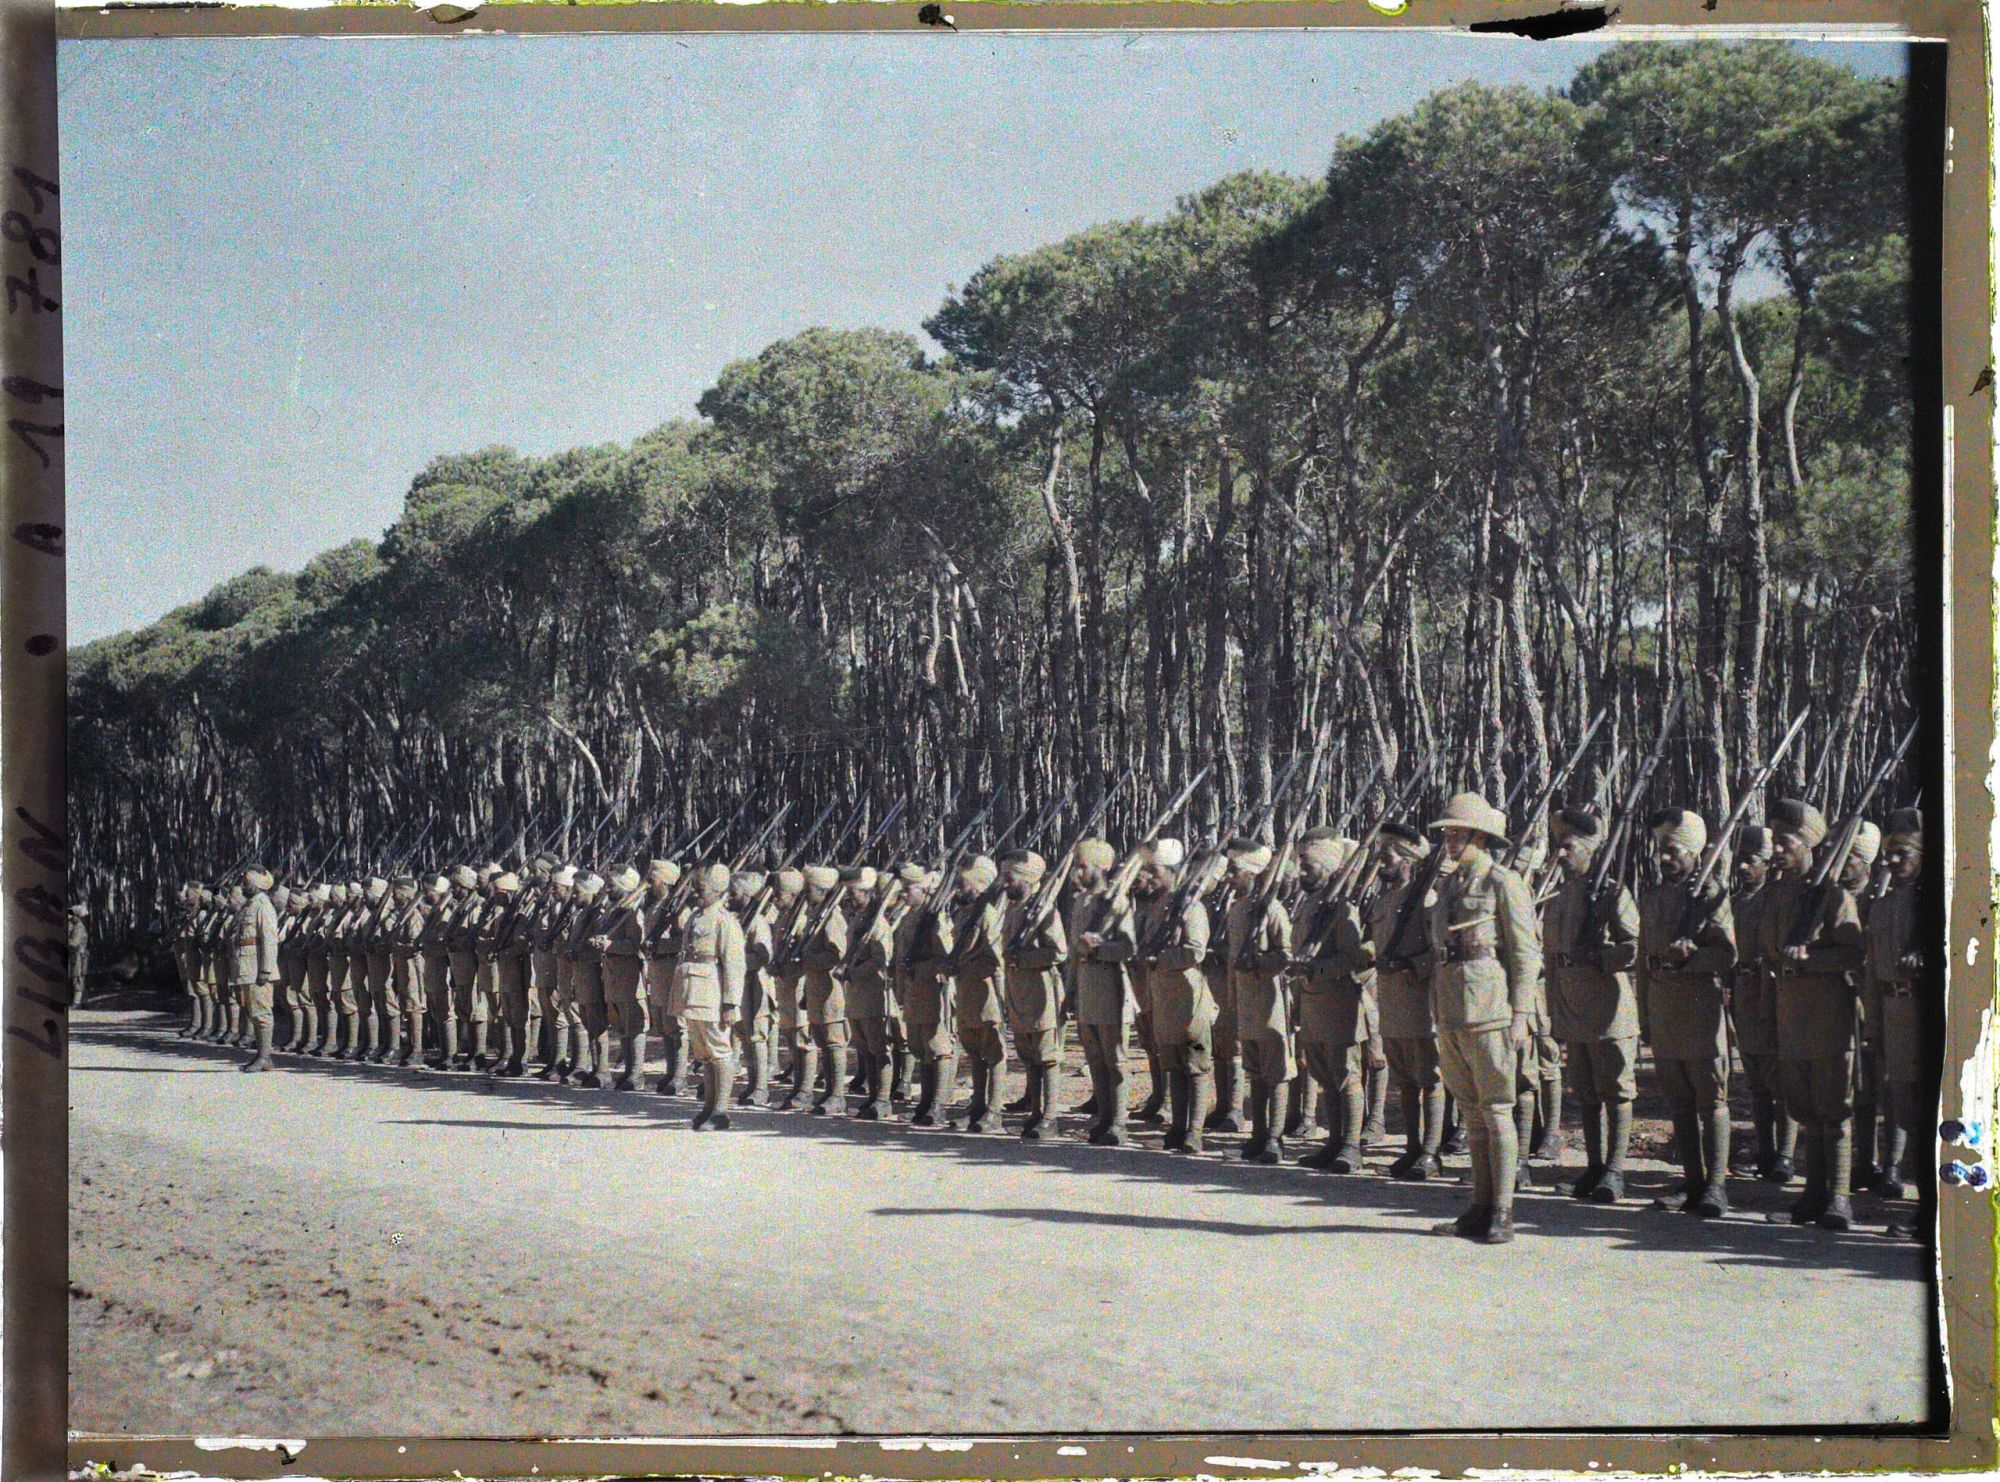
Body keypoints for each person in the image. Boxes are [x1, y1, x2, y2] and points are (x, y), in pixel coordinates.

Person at [1426, 793, 1541, 1244]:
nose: (1450, 840)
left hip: (1490, 1011)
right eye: (1448, 833)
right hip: (1453, 1010)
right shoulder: (1450, 885)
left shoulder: (1503, 882)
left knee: (1496, 1112)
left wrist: (1521, 1014)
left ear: (1480, 837)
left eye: (1457, 833)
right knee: (1472, 1113)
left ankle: (1503, 1211)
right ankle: (1479, 1204)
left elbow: (1526, 954)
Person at [1762, 798, 1868, 1231]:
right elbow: (1767, 948)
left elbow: (1854, 951)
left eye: (1785, 842)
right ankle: (1813, 1193)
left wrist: (1810, 957)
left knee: (1834, 1110)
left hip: (1828, 1015)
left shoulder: (1834, 896)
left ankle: (1839, 1198)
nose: (1777, 849)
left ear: (1807, 846)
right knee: (1805, 1109)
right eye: (1776, 841)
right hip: (1791, 1014)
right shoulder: (1775, 894)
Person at [1637, 808, 1737, 1217]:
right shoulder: (1654, 898)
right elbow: (1644, 960)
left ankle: (1716, 1185)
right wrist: (1645, 1017)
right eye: (1662, 850)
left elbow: (1727, 954)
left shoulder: (1714, 894)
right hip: (1664, 1010)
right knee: (1678, 1101)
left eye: (1674, 851)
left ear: (1695, 853)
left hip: (1699, 1009)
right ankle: (1692, 1182)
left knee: (1710, 1098)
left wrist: (1692, 956)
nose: (1665, 858)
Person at [1541, 808, 1640, 1204]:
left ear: (1588, 850)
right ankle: (1595, 1166)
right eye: (1558, 847)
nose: (1560, 854)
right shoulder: (1558, 895)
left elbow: (1634, 946)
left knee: (1616, 1091)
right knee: (1585, 1092)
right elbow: (1551, 958)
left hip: (1608, 1009)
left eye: (1568, 847)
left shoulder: (1613, 892)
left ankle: (1615, 1170)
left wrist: (1600, 955)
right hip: (1571, 1005)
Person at [1133, 837, 1219, 1155]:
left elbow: (1196, 950)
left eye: (1154, 871)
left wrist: (1161, 960)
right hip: (1163, 998)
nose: (1149, 878)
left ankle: (1194, 1131)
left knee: (1195, 1065)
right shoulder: (1154, 907)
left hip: (1190, 999)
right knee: (1172, 1063)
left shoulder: (1191, 906)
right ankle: (1177, 1126)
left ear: (1171, 871)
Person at [1368, 823, 1444, 1180]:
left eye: (1389, 855)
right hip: (1392, 1003)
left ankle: (1430, 1152)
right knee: (1405, 1081)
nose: (1382, 860)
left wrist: (1410, 964)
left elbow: (1439, 952)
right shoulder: (1384, 899)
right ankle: (1412, 1147)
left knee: (1429, 1079)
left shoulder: (1426, 898)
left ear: (1409, 859)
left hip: (1419, 1002)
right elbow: (1377, 943)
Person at [1291, 830, 1368, 1171]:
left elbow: (1354, 958)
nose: (1301, 871)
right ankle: (1334, 1139)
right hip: (1311, 1001)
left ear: (1327, 866)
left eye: (1307, 866)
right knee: (1324, 1074)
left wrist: (1317, 969)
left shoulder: (1342, 908)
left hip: (1337, 1002)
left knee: (1345, 1075)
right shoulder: (1309, 904)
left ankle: (1351, 1145)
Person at [1727, 827, 1795, 1183]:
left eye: (1750, 861)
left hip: (1774, 998)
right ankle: (1764, 1151)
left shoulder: (1778, 900)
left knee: (1779, 1080)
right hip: (1744, 998)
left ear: (1768, 864)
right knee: (1755, 1081)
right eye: (1740, 860)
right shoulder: (1736, 902)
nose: (1742, 867)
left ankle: (1785, 1154)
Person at [1222, 838, 1294, 1164]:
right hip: (1246, 1002)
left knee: (1275, 1072)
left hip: (1271, 1002)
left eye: (1234, 871)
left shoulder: (1274, 911)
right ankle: (1259, 1134)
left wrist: (1258, 963)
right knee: (1255, 1072)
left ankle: (1275, 1139)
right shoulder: (1237, 910)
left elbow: (1287, 956)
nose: (1229, 876)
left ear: (1251, 873)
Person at [1871, 808, 1925, 1231]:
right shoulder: (1884, 905)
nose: (1889, 861)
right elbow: (1875, 970)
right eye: (1887, 853)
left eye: (1901, 853)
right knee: (1907, 1112)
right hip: (1894, 1015)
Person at [1066, 839, 1138, 1146]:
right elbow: (1072, 954)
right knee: (1095, 1058)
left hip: (1110, 987)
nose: (1078, 872)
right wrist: (1068, 994)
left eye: (1083, 866)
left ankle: (1119, 1123)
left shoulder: (1118, 901)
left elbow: (1129, 947)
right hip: (1085, 988)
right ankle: (1104, 1118)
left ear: (1103, 867)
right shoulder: (1080, 903)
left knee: (1115, 1059)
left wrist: (1100, 948)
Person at [669, 862, 747, 1130]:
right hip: (693, 993)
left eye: (700, 889)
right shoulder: (695, 917)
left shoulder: (725, 922)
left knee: (720, 1052)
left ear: (717, 891)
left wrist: (730, 1003)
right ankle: (708, 1107)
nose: (695, 893)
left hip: (712, 995)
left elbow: (735, 965)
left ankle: (721, 1111)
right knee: (704, 1053)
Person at [1000, 850, 1068, 1141]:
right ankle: (1036, 1113)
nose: (1005, 882)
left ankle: (1050, 1116)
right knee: (1029, 1055)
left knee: (1047, 1055)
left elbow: (1059, 952)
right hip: (1019, 991)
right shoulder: (1015, 909)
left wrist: (1023, 959)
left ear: (1026, 879)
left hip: (1042, 991)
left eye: (1010, 877)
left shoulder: (1045, 909)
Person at [945, 854, 1010, 1134]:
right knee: (975, 1054)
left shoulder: (987, 914)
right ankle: (977, 1106)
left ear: (980, 884)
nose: (958, 889)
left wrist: (1004, 1002)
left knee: (994, 1054)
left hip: (987, 996)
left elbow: (997, 961)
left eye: (963, 883)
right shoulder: (964, 913)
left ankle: (994, 1111)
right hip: (967, 994)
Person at [896, 865, 957, 1128]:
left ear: (923, 889)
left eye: (908, 889)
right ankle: (924, 1103)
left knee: (939, 1047)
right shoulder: (912, 915)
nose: (903, 894)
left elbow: (946, 959)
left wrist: (920, 969)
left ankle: (938, 1105)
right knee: (921, 1047)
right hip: (915, 989)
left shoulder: (935, 918)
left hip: (933, 990)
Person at [845, 868, 902, 1121]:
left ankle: (883, 1099)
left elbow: (880, 960)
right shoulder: (858, 920)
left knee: (880, 1048)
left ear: (867, 892)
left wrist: (855, 972)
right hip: (857, 995)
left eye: (854, 892)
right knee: (865, 1047)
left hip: (873, 994)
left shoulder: (879, 924)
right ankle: (871, 1094)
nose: (850, 897)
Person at [591, 865, 651, 1090]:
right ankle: (627, 1072)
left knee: (634, 1023)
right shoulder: (614, 910)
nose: (608, 888)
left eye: (613, 885)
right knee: (621, 1023)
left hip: (628, 974)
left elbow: (635, 945)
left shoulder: (633, 912)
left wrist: (609, 945)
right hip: (612, 974)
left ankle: (636, 1073)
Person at [731, 870, 779, 1106]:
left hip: (755, 985)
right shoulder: (739, 918)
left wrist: (736, 962)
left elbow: (763, 956)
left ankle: (761, 1088)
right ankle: (751, 1084)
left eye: (736, 891)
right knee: (744, 1035)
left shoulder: (758, 921)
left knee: (757, 1036)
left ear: (748, 893)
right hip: (740, 985)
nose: (732, 894)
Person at [643, 860, 689, 1095]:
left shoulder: (678, 908)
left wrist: (659, 945)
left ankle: (679, 1076)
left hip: (671, 969)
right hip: (658, 970)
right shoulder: (655, 907)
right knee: (663, 1024)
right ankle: (670, 1072)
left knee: (675, 1025)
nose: (649, 882)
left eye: (653, 878)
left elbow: (684, 941)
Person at [233, 866, 283, 1073]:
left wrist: (266, 970)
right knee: (253, 1011)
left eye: (246, 883)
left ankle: (265, 1057)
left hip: (257, 968)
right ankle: (261, 1055)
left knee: (261, 1012)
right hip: (246, 966)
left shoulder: (263, 906)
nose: (242, 886)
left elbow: (270, 940)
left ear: (255, 885)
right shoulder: (250, 906)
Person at [486, 871, 535, 1076]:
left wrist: (501, 953)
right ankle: (513, 1056)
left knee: (519, 1017)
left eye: (497, 893)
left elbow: (521, 946)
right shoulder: (502, 917)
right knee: (508, 1016)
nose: (494, 897)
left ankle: (521, 1059)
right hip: (504, 972)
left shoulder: (520, 918)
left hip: (516, 972)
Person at [66, 902, 90, 1007]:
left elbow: (74, 943)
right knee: (79, 978)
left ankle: (77, 1003)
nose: (70, 919)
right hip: (79, 955)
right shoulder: (77, 926)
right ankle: (83, 1002)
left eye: (72, 917)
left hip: (78, 955)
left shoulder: (78, 928)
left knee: (77, 978)